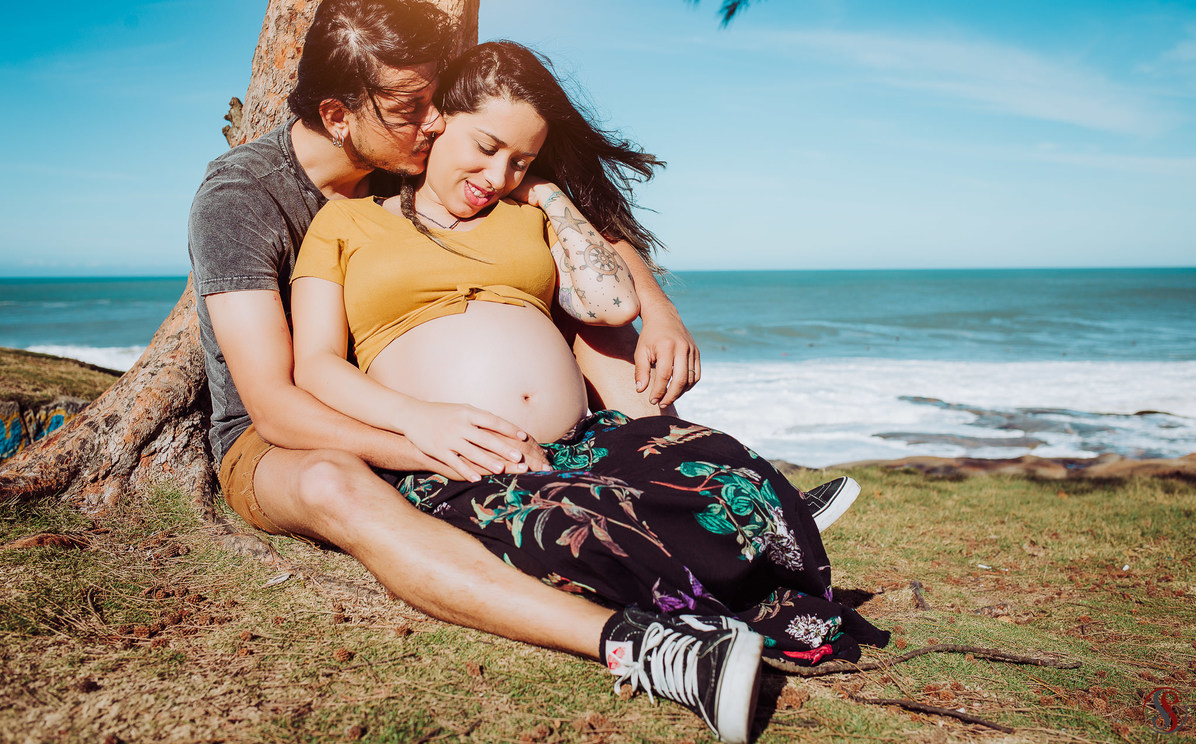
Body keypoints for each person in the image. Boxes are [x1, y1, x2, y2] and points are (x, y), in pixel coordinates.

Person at [189, 0, 763, 744]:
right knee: (335, 482)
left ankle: (701, 481)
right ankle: (638, 647)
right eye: (408, 108)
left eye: (435, 100)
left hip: (419, 409)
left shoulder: (415, 159)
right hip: (285, 436)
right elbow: (273, 401)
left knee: (580, 327)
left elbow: (574, 206)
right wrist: (436, 445)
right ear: (338, 116)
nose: (433, 123)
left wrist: (657, 307)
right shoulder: (242, 197)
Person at [288, 38, 889, 724]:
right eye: (486, 146)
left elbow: (610, 307)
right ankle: (687, 629)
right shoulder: (345, 223)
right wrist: (418, 420)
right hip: (459, 457)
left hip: (584, 440)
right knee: (579, 535)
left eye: (520, 158)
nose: (498, 171)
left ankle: (748, 537)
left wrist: (548, 194)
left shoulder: (526, 213)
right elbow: (316, 366)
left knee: (730, 472)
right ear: (438, 121)